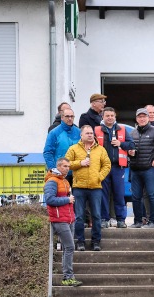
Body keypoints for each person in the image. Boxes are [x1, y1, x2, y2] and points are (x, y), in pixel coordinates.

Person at [66, 125, 111, 251]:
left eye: (91, 133)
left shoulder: (101, 150)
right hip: (79, 187)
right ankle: (80, 241)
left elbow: (107, 165)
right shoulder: (73, 149)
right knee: (79, 216)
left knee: (96, 215)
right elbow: (66, 163)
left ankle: (96, 241)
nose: (90, 135)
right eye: (87, 133)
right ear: (81, 135)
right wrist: (80, 163)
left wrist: (99, 177)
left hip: (95, 187)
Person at [128, 108, 154, 228]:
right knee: (136, 197)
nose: (142, 119)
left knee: (152, 195)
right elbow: (128, 149)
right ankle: (137, 221)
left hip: (149, 169)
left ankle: (152, 221)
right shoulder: (132, 133)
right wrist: (129, 153)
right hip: (136, 170)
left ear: (148, 118)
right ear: (136, 119)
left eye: (144, 116)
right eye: (139, 117)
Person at [94, 107, 135, 229]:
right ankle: (104, 219)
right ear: (103, 117)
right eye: (107, 115)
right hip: (102, 167)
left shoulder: (122, 130)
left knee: (119, 194)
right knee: (103, 194)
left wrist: (120, 144)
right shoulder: (97, 130)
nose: (110, 117)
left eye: (112, 115)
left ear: (115, 116)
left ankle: (121, 220)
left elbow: (131, 144)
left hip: (118, 167)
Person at [44, 157, 82, 286]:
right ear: (58, 166)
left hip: (69, 218)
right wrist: (67, 200)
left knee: (68, 247)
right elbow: (49, 200)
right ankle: (68, 276)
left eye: (68, 166)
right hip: (59, 219)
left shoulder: (65, 181)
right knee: (70, 247)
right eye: (65, 166)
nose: (67, 168)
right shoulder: (52, 181)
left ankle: (67, 276)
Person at [43, 108, 81, 184]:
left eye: (72, 116)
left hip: (76, 172)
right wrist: (53, 169)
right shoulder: (54, 133)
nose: (70, 118)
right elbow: (48, 152)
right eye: (67, 116)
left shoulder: (79, 132)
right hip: (60, 173)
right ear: (62, 117)